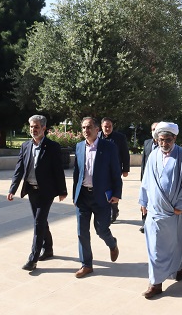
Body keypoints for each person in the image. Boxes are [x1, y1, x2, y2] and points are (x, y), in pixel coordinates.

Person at [139, 122, 182, 299]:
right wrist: (143, 200)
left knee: (178, 244)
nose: (164, 143)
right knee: (155, 248)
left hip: (175, 212)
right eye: (161, 140)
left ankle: (179, 266)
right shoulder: (153, 155)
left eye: (168, 140)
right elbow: (146, 180)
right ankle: (155, 283)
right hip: (155, 211)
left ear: (175, 138)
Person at [7, 115, 67, 271]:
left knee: (38, 223)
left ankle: (32, 259)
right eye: (31, 127)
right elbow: (19, 169)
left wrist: (62, 190)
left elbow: (58, 170)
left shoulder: (52, 146)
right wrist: (12, 189)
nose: (33, 130)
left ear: (44, 128)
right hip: (31, 190)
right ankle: (48, 248)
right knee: (40, 221)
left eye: (36, 127)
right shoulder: (25, 146)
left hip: (46, 191)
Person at [72, 117, 122, 278]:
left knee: (101, 230)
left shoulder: (108, 147)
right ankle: (86, 265)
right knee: (82, 232)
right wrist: (74, 195)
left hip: (101, 196)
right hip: (83, 196)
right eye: (83, 128)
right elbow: (77, 173)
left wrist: (117, 194)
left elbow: (115, 171)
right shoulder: (79, 146)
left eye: (89, 127)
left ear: (96, 130)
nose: (85, 130)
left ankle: (112, 244)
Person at [99, 117, 130, 223]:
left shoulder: (120, 138)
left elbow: (125, 154)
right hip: (100, 170)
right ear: (101, 126)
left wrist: (125, 169)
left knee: (113, 190)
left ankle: (114, 210)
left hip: (114, 169)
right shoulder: (97, 136)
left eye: (110, 126)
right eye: (105, 127)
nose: (108, 129)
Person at [139, 122, 159, 233]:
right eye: (153, 129)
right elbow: (143, 161)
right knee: (144, 201)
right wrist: (142, 177)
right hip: (147, 178)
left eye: (157, 129)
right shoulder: (147, 143)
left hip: (159, 178)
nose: (155, 131)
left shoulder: (164, 144)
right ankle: (144, 223)